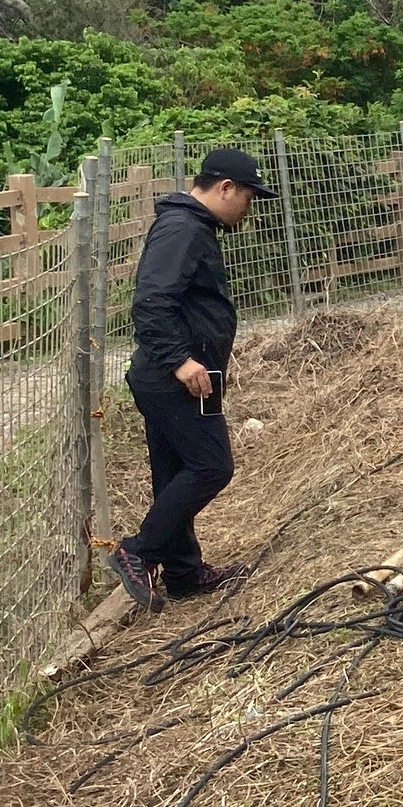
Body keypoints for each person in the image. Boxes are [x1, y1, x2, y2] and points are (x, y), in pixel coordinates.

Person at [105, 146, 264, 612]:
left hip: (179, 374)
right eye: (249, 196)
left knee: (174, 472)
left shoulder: (190, 227)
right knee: (212, 467)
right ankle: (138, 552)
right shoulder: (181, 229)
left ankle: (183, 572)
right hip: (178, 377)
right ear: (225, 188)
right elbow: (152, 302)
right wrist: (180, 361)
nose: (249, 208)